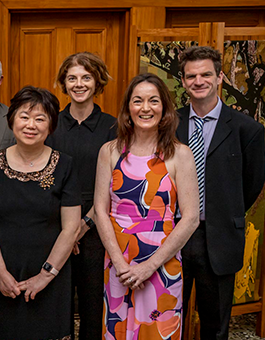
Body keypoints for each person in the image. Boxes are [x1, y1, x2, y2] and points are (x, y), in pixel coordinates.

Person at [94, 73, 199, 339]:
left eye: (153, 101)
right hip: (118, 264)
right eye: (138, 101)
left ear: (164, 108)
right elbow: (100, 210)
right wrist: (119, 263)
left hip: (161, 265)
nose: (145, 108)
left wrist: (148, 266)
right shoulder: (109, 151)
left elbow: (191, 218)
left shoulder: (180, 155)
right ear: (128, 108)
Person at [176, 46, 265, 339]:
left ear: (220, 78)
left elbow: (251, 184)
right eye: (191, 76)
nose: (198, 81)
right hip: (170, 236)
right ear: (183, 80)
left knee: (214, 327)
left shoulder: (247, 129)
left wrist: (223, 210)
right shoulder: (169, 125)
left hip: (219, 238)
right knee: (163, 318)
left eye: (206, 74)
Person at [0, 85, 81, 340]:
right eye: (24, 116)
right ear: (11, 120)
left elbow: (70, 228)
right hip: (4, 270)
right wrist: (0, 273)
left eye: (40, 118)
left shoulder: (66, 165)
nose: (31, 125)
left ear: (51, 125)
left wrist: (45, 275)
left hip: (52, 270)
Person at [45, 51, 116, 340]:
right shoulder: (50, 124)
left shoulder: (113, 126)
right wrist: (67, 230)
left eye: (86, 77)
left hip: (97, 228)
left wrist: (81, 226)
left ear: (97, 81)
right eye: (72, 78)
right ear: (63, 82)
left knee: (92, 305)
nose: (79, 84)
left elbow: (116, 184)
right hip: (56, 224)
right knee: (56, 302)